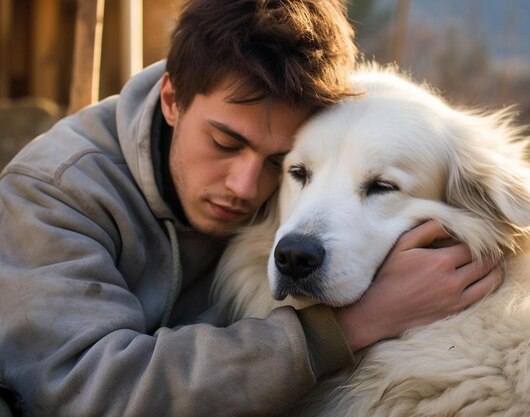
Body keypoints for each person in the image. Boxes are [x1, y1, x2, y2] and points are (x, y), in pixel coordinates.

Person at [0, 0, 502, 416]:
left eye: (282, 162)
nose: (244, 187)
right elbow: (85, 392)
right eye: (224, 142)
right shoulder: (52, 193)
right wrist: (347, 327)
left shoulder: (293, 190)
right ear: (172, 99)